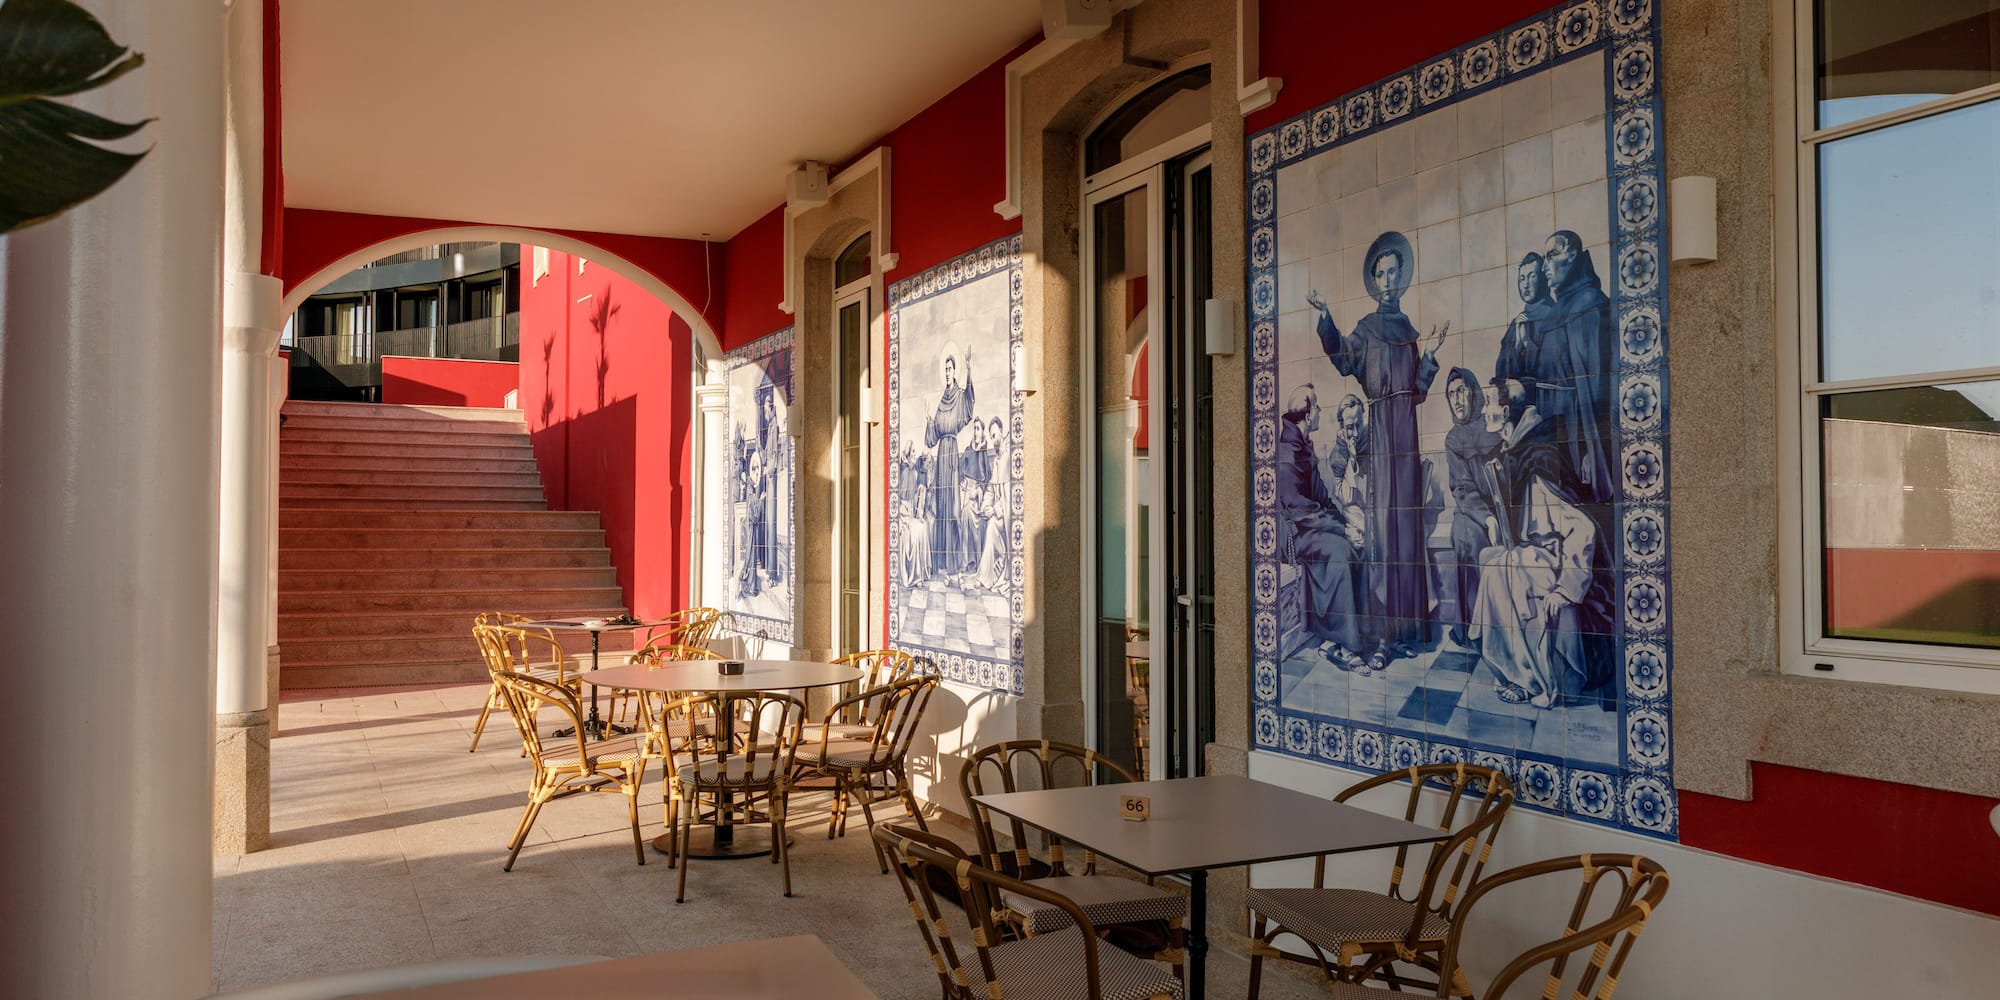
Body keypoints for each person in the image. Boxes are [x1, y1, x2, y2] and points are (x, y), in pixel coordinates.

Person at [1305, 231, 1447, 658]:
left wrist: (1433, 356)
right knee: (1385, 528)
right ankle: (1382, 636)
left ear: (1402, 278)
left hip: (1408, 431)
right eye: (1381, 274)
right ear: (1375, 280)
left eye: (1393, 273)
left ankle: (1405, 631)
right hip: (1383, 431)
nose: (1388, 280)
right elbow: (1344, 358)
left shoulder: (1408, 330)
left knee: (1407, 529)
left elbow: (1417, 392)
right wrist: (1326, 317)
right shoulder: (1367, 329)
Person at [1467, 378, 1614, 708]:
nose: (1483, 410)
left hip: (1556, 560)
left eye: (1488, 403)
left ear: (1505, 412)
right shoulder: (1512, 454)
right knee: (1491, 559)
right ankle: (1512, 669)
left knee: (1499, 571)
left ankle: (1532, 680)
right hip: (1535, 554)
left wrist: (1566, 589)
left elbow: (1583, 529)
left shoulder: (1536, 462)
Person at [1277, 384, 1369, 670]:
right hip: (1293, 534)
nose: (1319, 411)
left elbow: (1320, 497)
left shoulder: (1303, 445)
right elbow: (1297, 508)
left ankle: (1335, 639)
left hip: (1311, 526)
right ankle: (1343, 644)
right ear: (1306, 414)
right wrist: (1340, 530)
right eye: (1315, 407)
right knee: (1340, 551)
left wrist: (1345, 522)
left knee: (1356, 546)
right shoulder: (1287, 452)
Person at [1538, 231, 1617, 506]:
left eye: (1551, 256)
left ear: (1572, 256)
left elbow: (1596, 387)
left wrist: (1588, 450)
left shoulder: (1589, 304)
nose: (1545, 266)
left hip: (1580, 437)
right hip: (1561, 431)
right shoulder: (1564, 307)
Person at [1442, 368, 1502, 646]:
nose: (1457, 399)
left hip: (1505, 507)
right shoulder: (1453, 439)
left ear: (1473, 392)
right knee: (1467, 538)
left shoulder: (1494, 424)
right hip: (1472, 509)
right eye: (1451, 394)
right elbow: (1463, 488)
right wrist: (1487, 518)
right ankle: (1473, 631)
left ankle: (1500, 631)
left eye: (1461, 391)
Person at [925, 343, 976, 576]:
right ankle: (941, 564)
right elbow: (933, 436)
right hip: (941, 454)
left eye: (950, 368)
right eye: (944, 369)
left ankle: (954, 564)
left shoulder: (958, 395)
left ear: (954, 371)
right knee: (942, 506)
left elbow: (968, 405)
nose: (947, 373)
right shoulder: (941, 401)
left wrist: (968, 367)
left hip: (952, 453)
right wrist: (928, 420)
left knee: (953, 506)